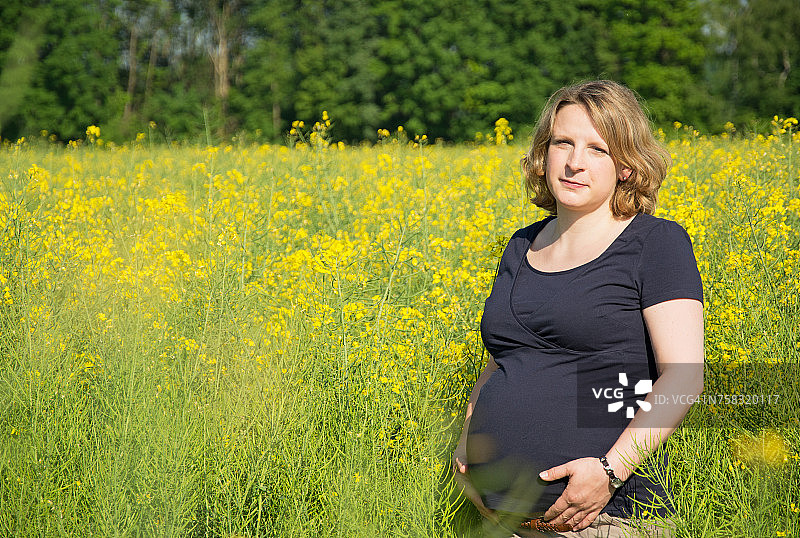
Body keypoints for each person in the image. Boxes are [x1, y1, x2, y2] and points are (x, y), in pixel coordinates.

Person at [452, 80, 704, 538]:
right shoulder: (520, 245)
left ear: (626, 166)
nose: (573, 162)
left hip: (602, 521)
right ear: (542, 153)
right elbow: (503, 358)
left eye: (597, 149)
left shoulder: (656, 243)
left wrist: (609, 472)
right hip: (499, 520)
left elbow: (685, 376)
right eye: (562, 143)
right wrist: (468, 441)